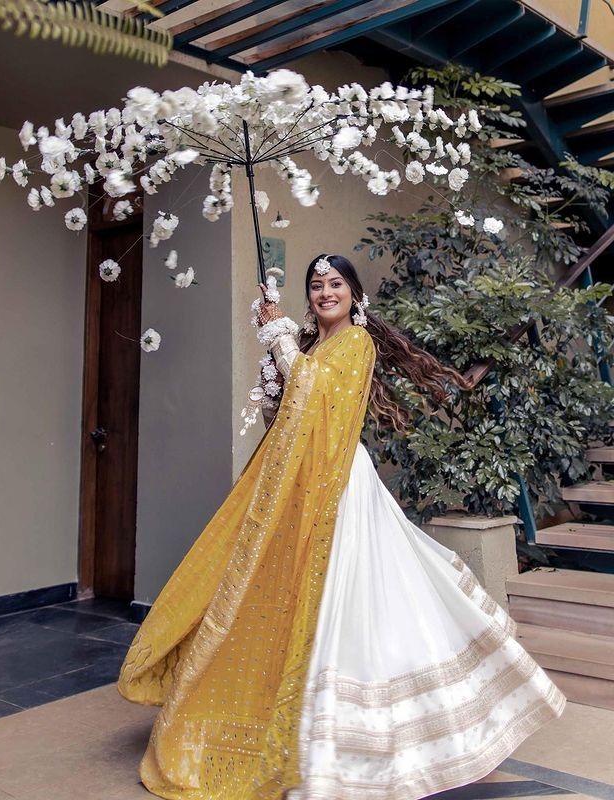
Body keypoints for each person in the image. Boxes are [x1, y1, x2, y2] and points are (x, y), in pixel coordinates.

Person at [118, 254, 566, 800]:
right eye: (316, 285)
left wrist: (280, 336)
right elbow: (287, 415)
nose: (325, 292)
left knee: (353, 598)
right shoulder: (312, 346)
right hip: (300, 479)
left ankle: (368, 740)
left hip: (338, 485)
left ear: (355, 294)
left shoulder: (357, 344)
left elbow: (318, 397)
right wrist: (274, 361)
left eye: (335, 284)